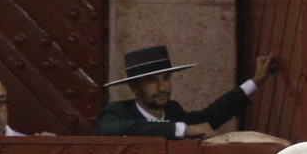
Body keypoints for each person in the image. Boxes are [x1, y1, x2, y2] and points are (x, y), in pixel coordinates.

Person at [97, 45, 278, 139]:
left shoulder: (173, 111)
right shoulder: (117, 112)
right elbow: (112, 128)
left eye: (166, 78)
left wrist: (255, 81)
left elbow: (212, 116)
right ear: (134, 87)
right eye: (152, 81)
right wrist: (183, 130)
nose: (162, 87)